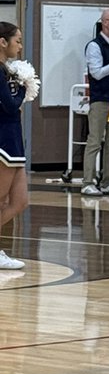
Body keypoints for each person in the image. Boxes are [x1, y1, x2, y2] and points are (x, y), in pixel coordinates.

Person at [81, 8, 109, 196]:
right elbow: (96, 73)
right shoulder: (94, 46)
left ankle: (108, 181)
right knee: (95, 141)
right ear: (105, 22)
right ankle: (87, 182)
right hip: (100, 100)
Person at [0, 22, 29, 270]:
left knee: (20, 201)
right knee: (0, 199)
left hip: (13, 137)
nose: (20, 46)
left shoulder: (5, 70)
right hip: (3, 140)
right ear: (3, 42)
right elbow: (9, 106)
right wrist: (23, 88)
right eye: (17, 40)